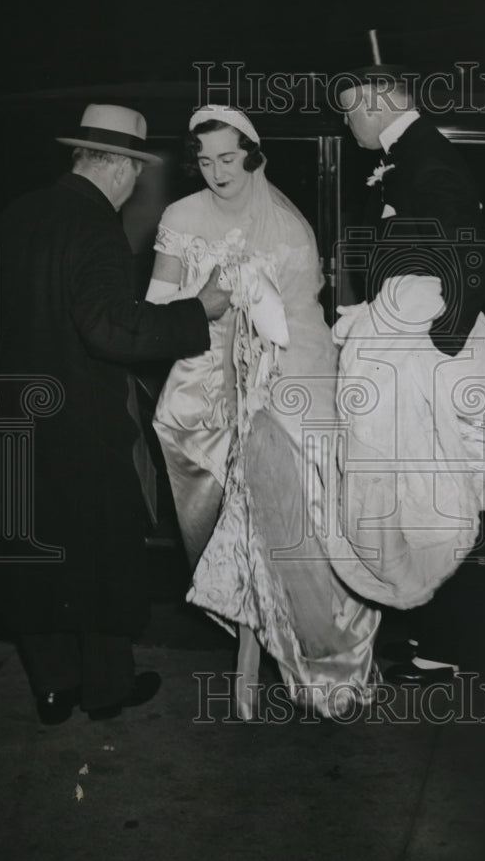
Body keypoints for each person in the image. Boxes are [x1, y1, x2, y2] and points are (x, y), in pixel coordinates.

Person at [0, 104, 232, 724]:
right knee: (102, 555)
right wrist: (197, 311)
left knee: (34, 556)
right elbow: (112, 330)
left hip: (12, 422)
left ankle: (51, 688)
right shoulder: (94, 225)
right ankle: (105, 691)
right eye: (136, 172)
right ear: (121, 167)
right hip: (77, 423)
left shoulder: (19, 213)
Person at [147, 105, 380, 718]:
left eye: (227, 158)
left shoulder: (286, 226)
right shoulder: (180, 216)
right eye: (203, 160)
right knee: (209, 498)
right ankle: (243, 618)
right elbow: (156, 301)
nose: (216, 172)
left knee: (286, 512)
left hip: (277, 381)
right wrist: (210, 302)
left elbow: (302, 322)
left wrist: (274, 385)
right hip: (201, 376)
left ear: (251, 155)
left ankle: (313, 654)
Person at [335, 68, 485, 684]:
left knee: (442, 489)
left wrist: (440, 343)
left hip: (435, 352)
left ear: (379, 104)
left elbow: (469, 256)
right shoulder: (407, 154)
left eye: (351, 109)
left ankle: (450, 644)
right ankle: (438, 637)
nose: (347, 121)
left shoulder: (425, 160)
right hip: (418, 343)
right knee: (429, 491)